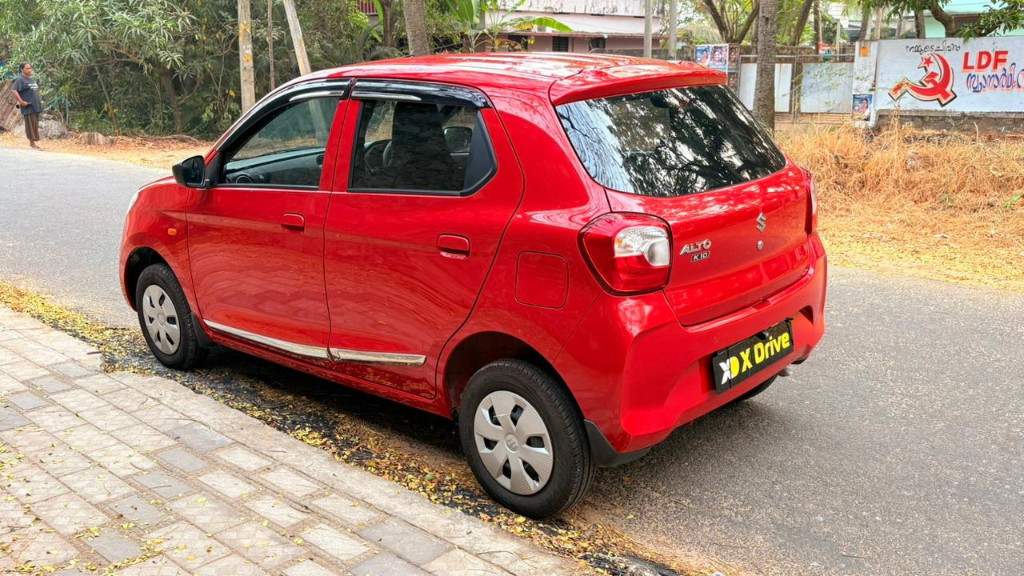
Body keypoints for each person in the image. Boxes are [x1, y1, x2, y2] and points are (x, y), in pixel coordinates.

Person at [11, 62, 43, 149]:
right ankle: (32, 143)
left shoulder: (31, 79)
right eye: (27, 68)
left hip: (35, 105)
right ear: (22, 69)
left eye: (30, 68)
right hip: (28, 106)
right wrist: (21, 102)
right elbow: (14, 90)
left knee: (35, 123)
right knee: (30, 124)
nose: (29, 70)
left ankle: (34, 141)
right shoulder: (20, 79)